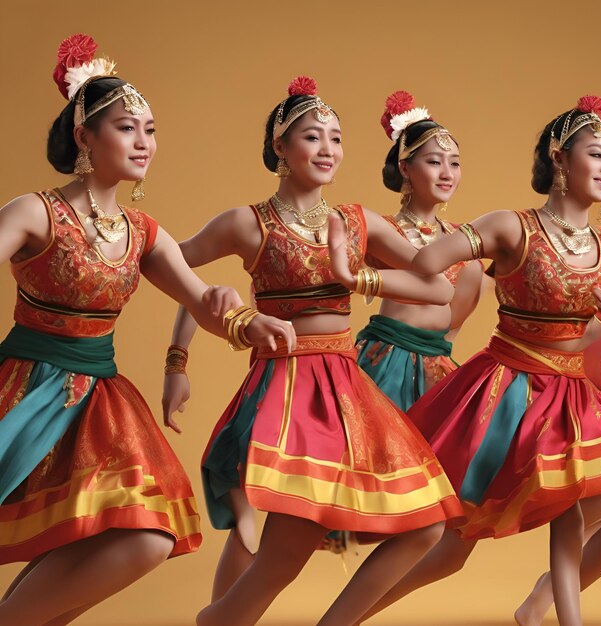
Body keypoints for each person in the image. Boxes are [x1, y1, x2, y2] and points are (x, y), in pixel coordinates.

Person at [0, 34, 293, 626]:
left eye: (150, 130)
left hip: (98, 401)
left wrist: (246, 322)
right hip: (27, 390)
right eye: (127, 128)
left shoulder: (144, 232)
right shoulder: (35, 212)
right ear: (85, 136)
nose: (143, 143)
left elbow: (204, 302)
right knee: (73, 542)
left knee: (142, 536)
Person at [162, 76, 465, 626]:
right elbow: (176, 274)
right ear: (281, 148)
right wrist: (177, 363)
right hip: (288, 385)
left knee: (424, 522)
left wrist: (360, 277)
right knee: (281, 546)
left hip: (347, 384)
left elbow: (440, 287)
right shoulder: (247, 223)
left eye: (336, 138)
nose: (327, 150)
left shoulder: (355, 221)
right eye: (311, 137)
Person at [327, 95, 601, 626]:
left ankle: (546, 612)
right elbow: (427, 263)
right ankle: (342, 616)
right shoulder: (513, 226)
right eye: (597, 153)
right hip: (505, 396)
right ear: (559, 157)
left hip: (568, 395)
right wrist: (362, 279)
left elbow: (599, 323)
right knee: (444, 540)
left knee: (561, 511)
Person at [356, 90, 485, 410]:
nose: (447, 173)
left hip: (438, 366)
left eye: (454, 163)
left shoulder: (464, 239)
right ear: (405, 168)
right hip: (383, 362)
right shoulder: (382, 230)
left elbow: (456, 319)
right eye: (433, 162)